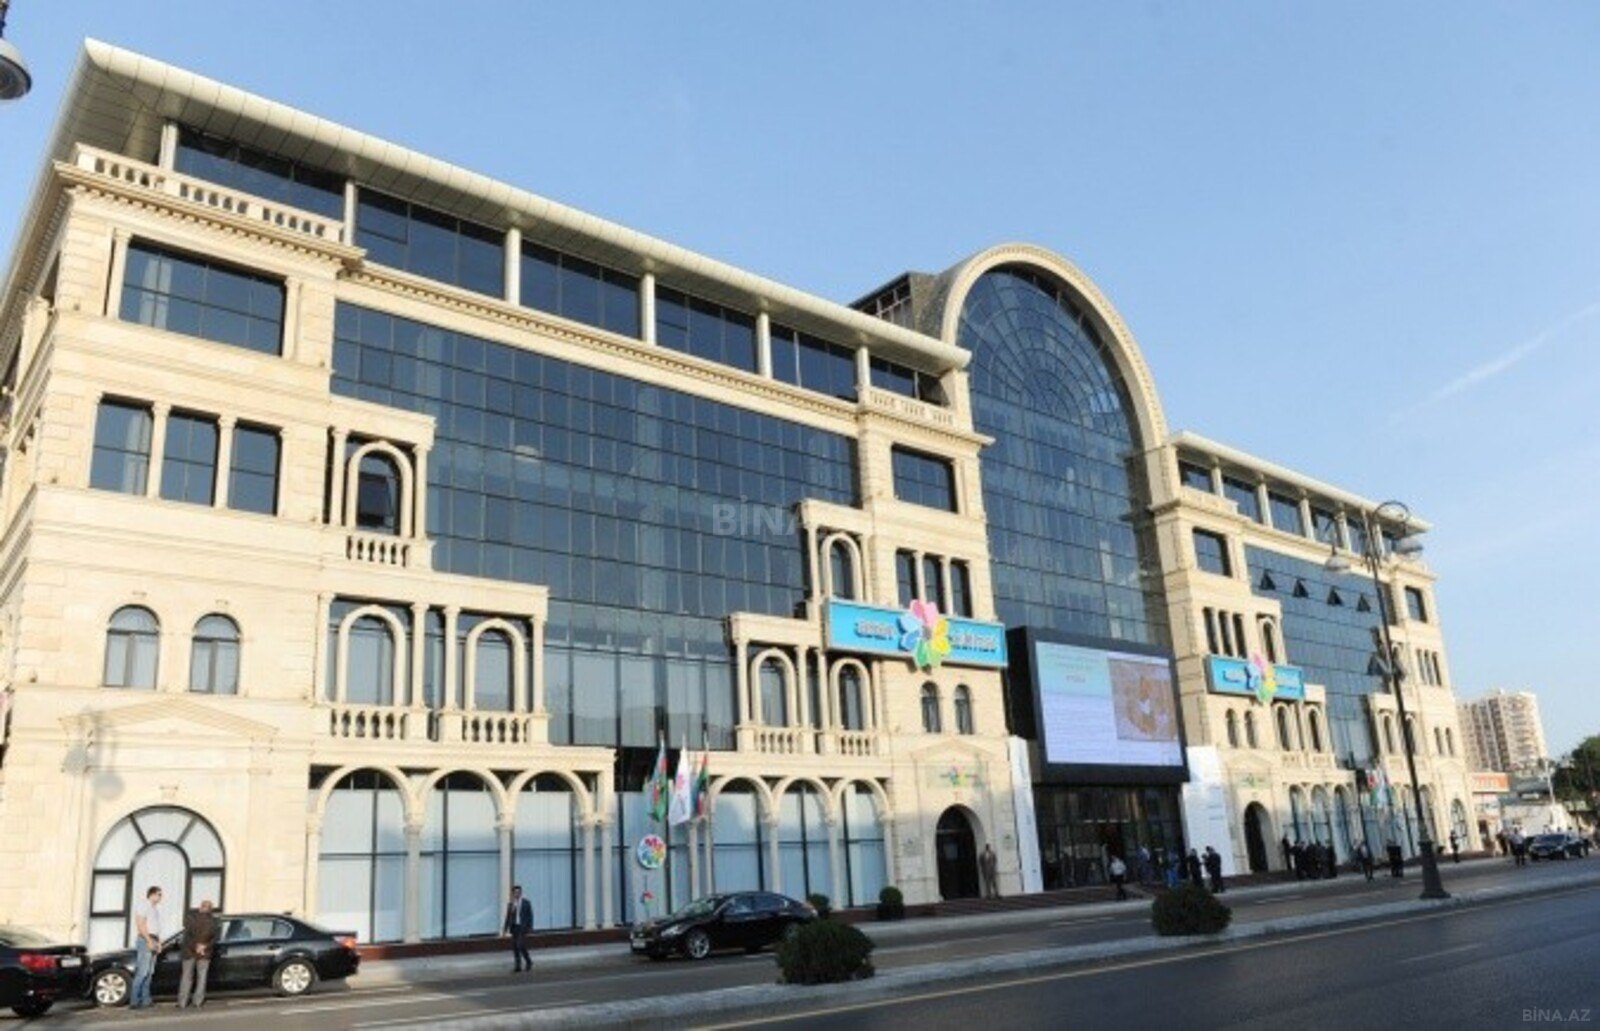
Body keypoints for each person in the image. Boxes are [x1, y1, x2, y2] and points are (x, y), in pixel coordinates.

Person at [177, 899, 217, 1010]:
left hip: (189, 952)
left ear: (200, 907)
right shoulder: (214, 922)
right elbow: (215, 938)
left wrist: (195, 947)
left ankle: (183, 1002)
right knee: (202, 977)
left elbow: (187, 936)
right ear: (210, 909)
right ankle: (198, 1001)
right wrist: (204, 947)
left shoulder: (191, 919)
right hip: (204, 953)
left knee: (186, 977)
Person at [131, 885, 164, 1010]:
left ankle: (146, 1000)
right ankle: (135, 1000)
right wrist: (149, 940)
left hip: (154, 938)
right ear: (152, 894)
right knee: (142, 972)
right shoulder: (144, 905)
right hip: (146, 939)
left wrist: (158, 943)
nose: (160, 897)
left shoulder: (155, 908)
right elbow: (140, 924)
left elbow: (155, 927)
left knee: (150, 973)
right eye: (159, 894)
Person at [504, 885, 534, 973]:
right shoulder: (511, 904)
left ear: (521, 893)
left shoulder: (526, 903)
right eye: (515, 892)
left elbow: (530, 916)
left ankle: (528, 961)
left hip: (522, 927)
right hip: (514, 927)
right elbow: (508, 917)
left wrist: (530, 927)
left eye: (519, 892)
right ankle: (518, 965)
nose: (517, 894)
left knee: (519, 944)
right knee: (515, 947)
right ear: (513, 894)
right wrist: (505, 928)